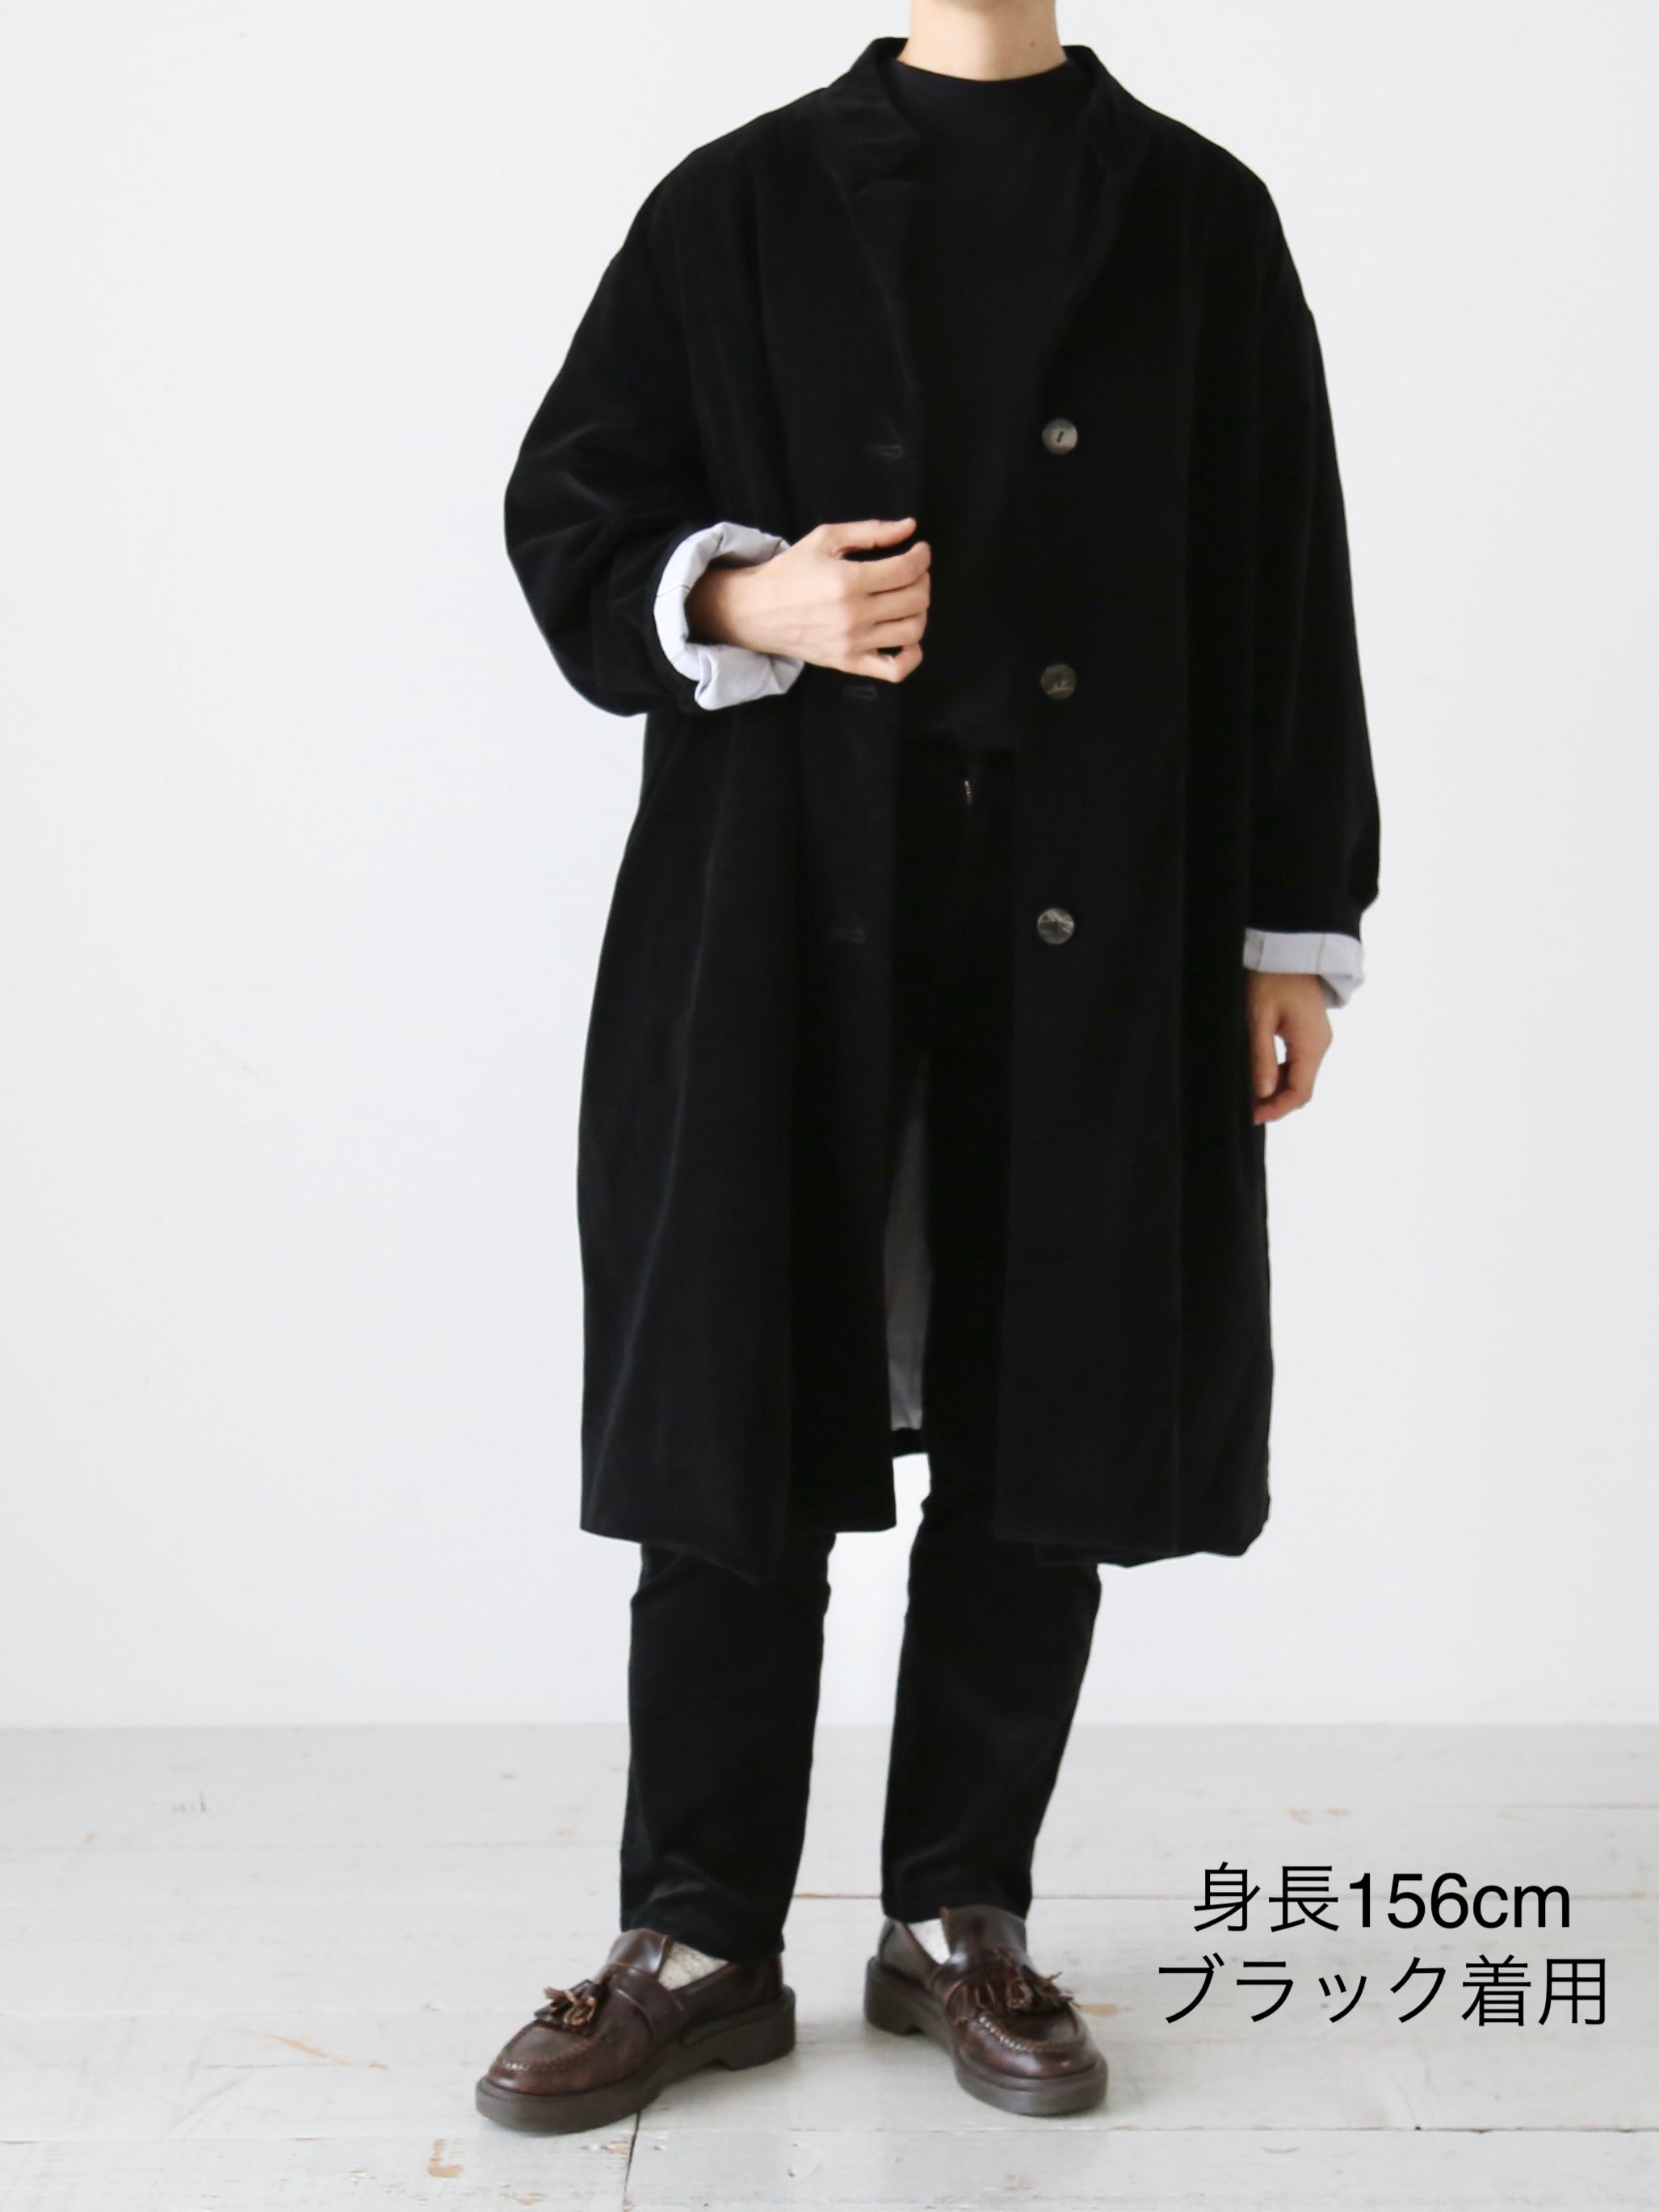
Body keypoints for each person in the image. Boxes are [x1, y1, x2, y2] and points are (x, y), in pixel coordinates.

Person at [477, 0, 1380, 2133]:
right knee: (734, 1406)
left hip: (1104, 916)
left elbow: (1289, 583)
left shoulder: (1200, 221)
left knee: (1046, 1408)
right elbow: (570, 501)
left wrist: (1293, 929)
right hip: (785, 911)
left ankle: (958, 1912)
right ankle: (696, 1934)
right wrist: (747, 599)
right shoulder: (737, 205)